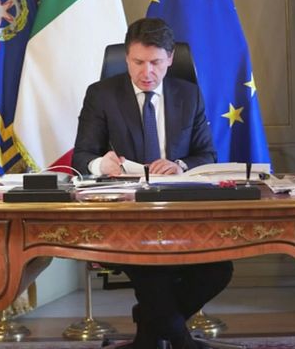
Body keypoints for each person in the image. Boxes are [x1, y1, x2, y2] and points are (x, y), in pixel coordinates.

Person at [72, 18, 232, 349]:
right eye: (138, 62)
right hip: (125, 219)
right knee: (149, 266)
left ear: (171, 58)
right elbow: (82, 156)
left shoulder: (188, 94)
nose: (147, 72)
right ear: (126, 58)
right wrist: (101, 164)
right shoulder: (101, 95)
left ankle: (148, 331)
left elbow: (207, 154)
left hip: (179, 213)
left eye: (156, 62)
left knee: (219, 269)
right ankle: (183, 343)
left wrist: (180, 165)